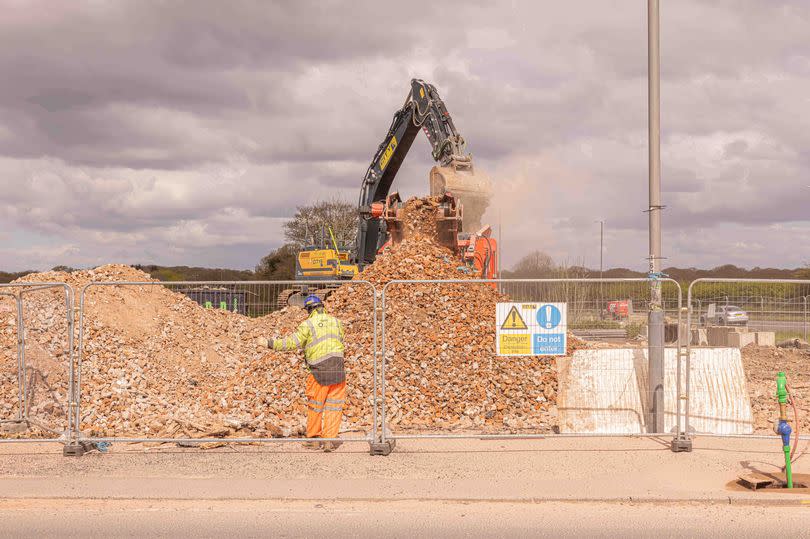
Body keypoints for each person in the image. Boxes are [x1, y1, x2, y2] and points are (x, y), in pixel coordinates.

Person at [257, 295, 346, 452]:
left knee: (316, 405)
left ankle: (314, 439)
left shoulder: (308, 324)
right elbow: (340, 342)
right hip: (338, 369)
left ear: (309, 309)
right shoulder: (337, 322)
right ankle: (329, 439)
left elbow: (292, 342)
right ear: (322, 306)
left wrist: (270, 343)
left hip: (319, 371)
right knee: (334, 407)